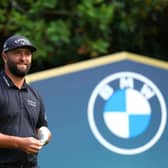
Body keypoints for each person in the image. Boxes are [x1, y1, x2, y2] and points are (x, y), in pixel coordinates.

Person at [0, 34, 52, 168]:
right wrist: (19, 143)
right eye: (17, 53)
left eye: (27, 54)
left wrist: (44, 135)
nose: (23, 58)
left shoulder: (34, 94)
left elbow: (41, 127)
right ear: (5, 57)